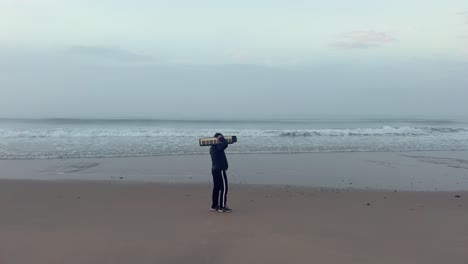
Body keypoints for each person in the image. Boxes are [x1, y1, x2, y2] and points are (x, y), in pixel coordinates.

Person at [210, 133, 232, 213]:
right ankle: (222, 206)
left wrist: (221, 139)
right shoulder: (217, 146)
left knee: (217, 188)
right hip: (220, 170)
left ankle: (214, 206)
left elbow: (223, 146)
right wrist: (221, 138)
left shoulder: (213, 147)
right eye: (220, 138)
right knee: (224, 187)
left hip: (215, 170)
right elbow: (225, 145)